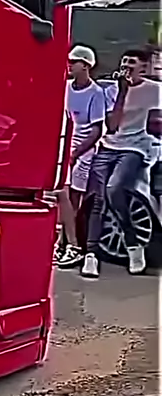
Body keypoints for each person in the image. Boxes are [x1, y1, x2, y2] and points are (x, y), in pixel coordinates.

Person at [81, 48, 161, 278]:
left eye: (132, 62)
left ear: (143, 67)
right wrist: (122, 92)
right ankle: (91, 255)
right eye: (124, 61)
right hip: (109, 147)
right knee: (97, 199)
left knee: (114, 188)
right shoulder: (111, 90)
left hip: (135, 148)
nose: (126, 66)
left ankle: (133, 243)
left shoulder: (154, 90)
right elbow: (112, 126)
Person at [55, 45, 106, 268]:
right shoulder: (65, 87)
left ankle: (70, 246)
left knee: (72, 198)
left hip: (83, 151)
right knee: (62, 194)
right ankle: (64, 244)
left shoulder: (96, 93)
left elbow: (96, 130)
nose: (69, 65)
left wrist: (76, 154)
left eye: (74, 61)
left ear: (86, 65)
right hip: (63, 145)